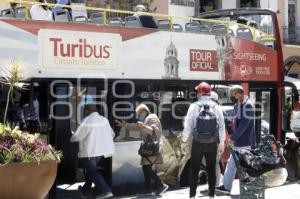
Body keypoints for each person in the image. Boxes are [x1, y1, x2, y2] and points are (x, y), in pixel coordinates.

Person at [182, 82, 225, 199]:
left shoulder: (194, 106)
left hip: (197, 143)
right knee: (211, 169)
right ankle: (211, 195)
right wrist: (221, 144)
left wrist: (184, 141)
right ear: (209, 93)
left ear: (200, 93)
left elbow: (188, 126)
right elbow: (222, 127)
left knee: (194, 169)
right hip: (212, 144)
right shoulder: (216, 107)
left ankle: (192, 195)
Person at [115, 104, 168, 196]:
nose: (138, 116)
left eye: (139, 113)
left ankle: (158, 186)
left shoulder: (152, 118)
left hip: (151, 147)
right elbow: (136, 126)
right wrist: (124, 125)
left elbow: (154, 130)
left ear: (144, 111)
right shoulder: (146, 119)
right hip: (149, 147)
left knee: (146, 168)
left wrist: (144, 127)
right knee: (146, 168)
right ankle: (153, 188)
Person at [216, 85, 256, 194]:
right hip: (238, 141)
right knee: (232, 163)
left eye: (234, 95)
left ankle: (246, 188)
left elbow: (243, 125)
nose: (233, 98)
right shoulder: (238, 105)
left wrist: (232, 138)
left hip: (245, 142)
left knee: (243, 165)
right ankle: (226, 186)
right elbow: (234, 121)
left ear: (240, 93)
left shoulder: (248, 106)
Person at [70, 104, 115, 199]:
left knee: (92, 172)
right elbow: (112, 134)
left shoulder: (87, 121)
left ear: (86, 111)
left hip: (90, 152)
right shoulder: (104, 120)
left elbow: (78, 136)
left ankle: (106, 191)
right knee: (92, 172)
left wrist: (72, 137)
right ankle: (86, 191)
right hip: (103, 153)